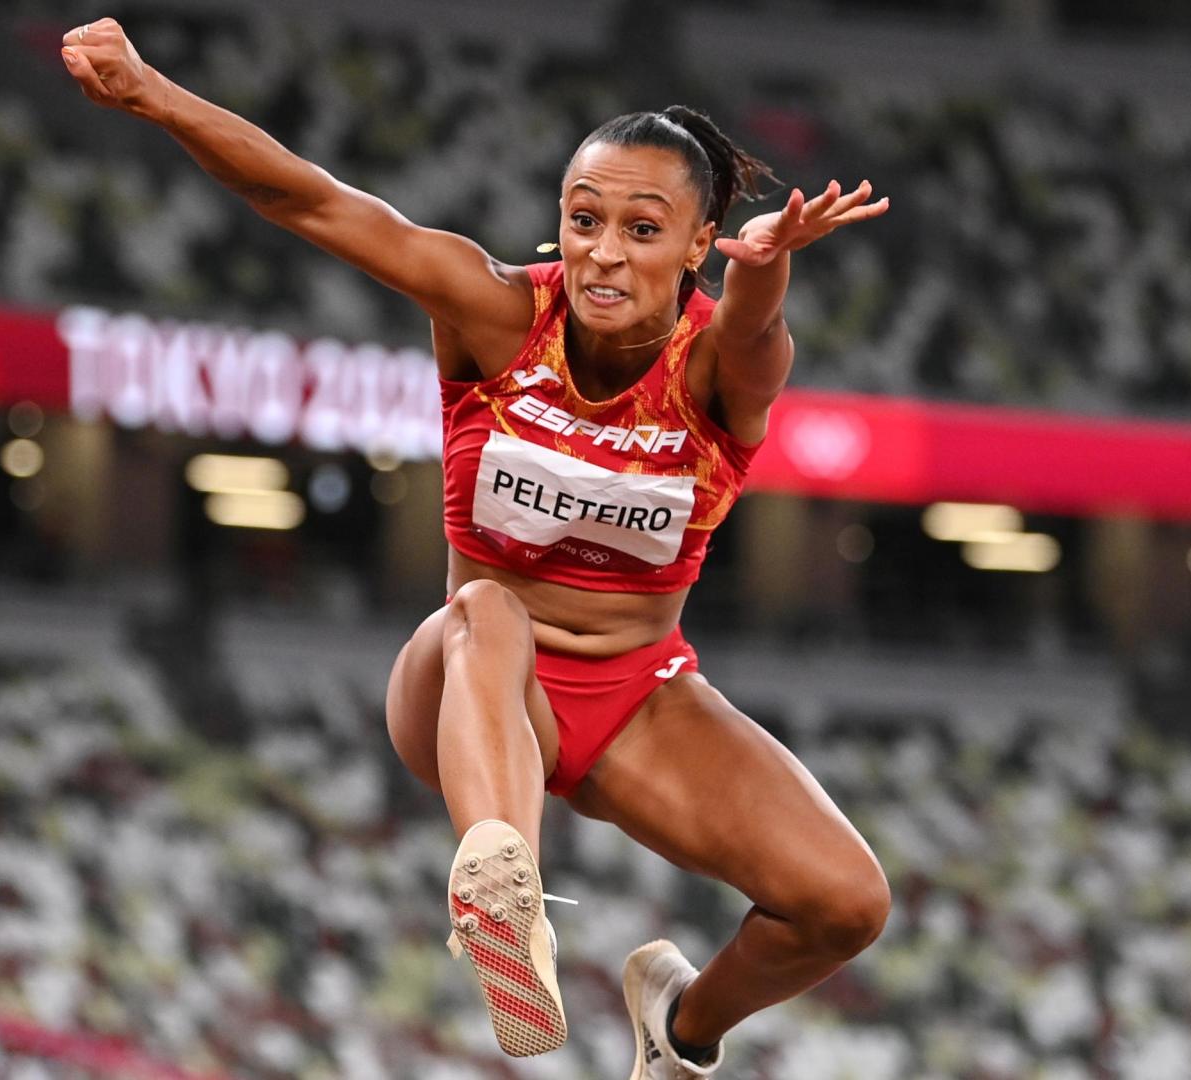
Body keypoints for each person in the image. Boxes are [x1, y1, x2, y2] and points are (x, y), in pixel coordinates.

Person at [60, 19, 891, 1076]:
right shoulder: (495, 313)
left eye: (642, 229)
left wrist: (764, 272)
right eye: (584, 218)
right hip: (470, 678)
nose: (603, 251)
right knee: (491, 608)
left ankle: (679, 1032)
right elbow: (310, 199)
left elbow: (754, 337)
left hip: (637, 698)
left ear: (699, 247)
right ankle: (505, 903)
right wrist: (152, 93)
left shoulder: (713, 372)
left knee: (846, 904)